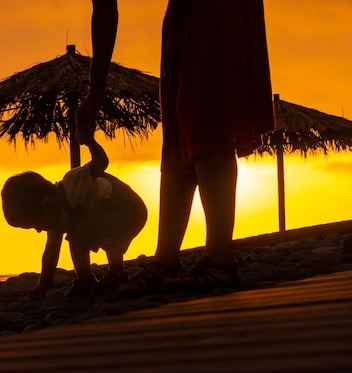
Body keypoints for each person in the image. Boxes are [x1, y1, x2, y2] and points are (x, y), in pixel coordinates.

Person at [77, 0, 275, 295]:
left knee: (204, 117)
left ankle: (220, 257)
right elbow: (105, 8)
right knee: (177, 127)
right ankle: (166, 257)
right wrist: (95, 91)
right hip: (183, 9)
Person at [1, 134, 147, 299]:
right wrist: (43, 285)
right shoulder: (57, 221)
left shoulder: (72, 183)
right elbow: (50, 254)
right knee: (76, 238)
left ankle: (117, 273)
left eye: (36, 225)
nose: (39, 230)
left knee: (103, 226)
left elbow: (101, 163)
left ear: (47, 205)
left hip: (127, 209)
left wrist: (90, 142)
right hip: (102, 220)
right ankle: (85, 279)